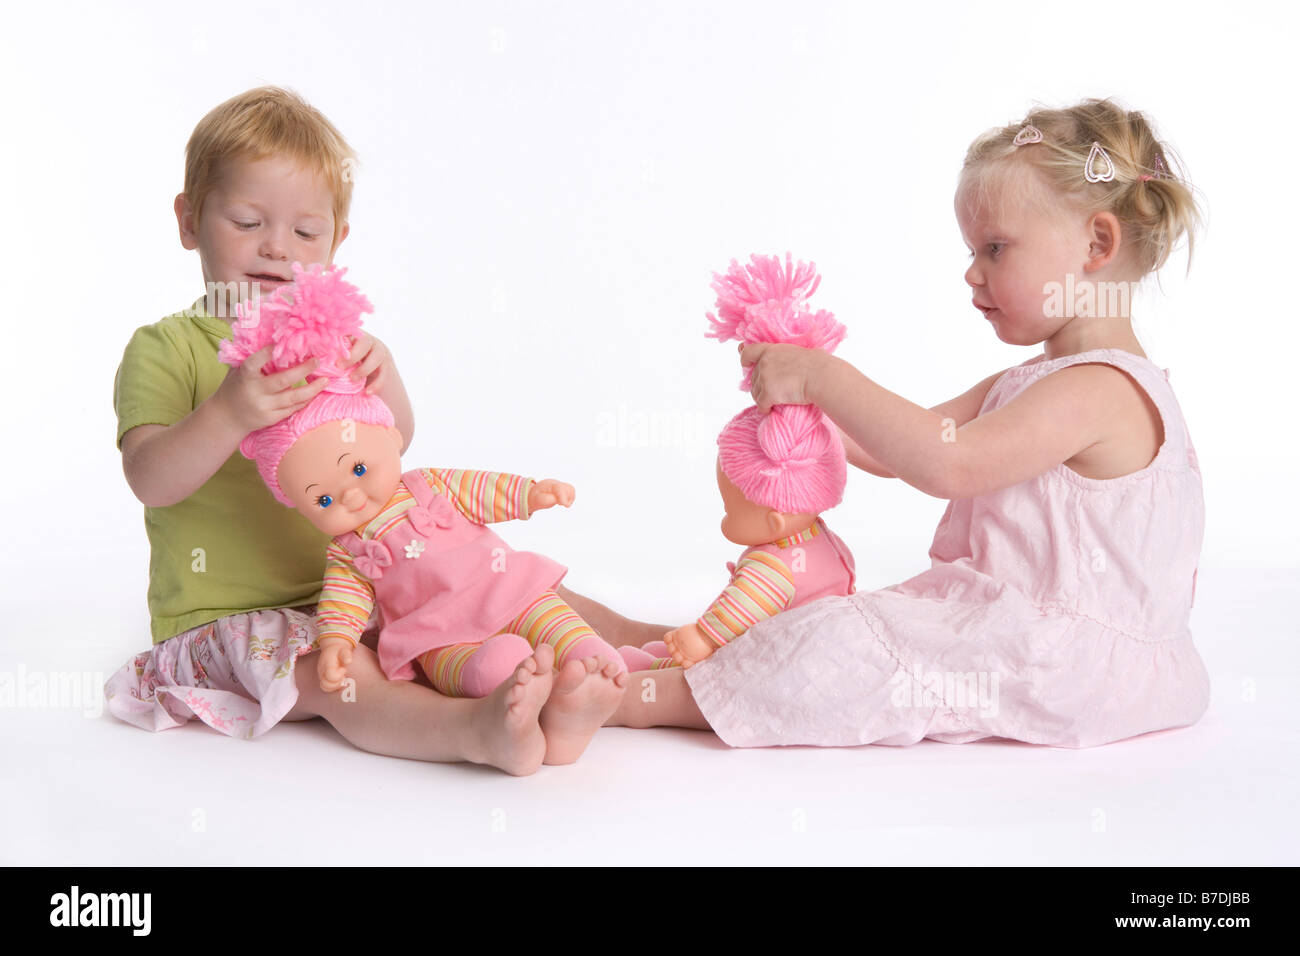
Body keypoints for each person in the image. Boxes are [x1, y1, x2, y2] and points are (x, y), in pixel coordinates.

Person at [583, 97, 1211, 749]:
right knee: (844, 626)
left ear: (1097, 244)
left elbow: (952, 464)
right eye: (972, 250)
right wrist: (803, 401)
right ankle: (672, 650)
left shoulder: (1101, 391)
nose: (971, 272)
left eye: (995, 247)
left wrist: (826, 379)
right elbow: (899, 446)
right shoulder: (1036, 383)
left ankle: (640, 695)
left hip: (1069, 662)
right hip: (1031, 639)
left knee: (846, 640)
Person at [105, 86, 623, 774]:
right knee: (336, 676)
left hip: (365, 587)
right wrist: (229, 412)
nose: (276, 248)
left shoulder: (333, 346)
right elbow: (151, 478)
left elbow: (391, 445)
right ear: (189, 219)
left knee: (498, 586)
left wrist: (388, 379)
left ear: (336, 243)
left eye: (305, 232)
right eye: (248, 220)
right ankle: (476, 730)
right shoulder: (166, 348)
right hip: (237, 620)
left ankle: (639, 659)